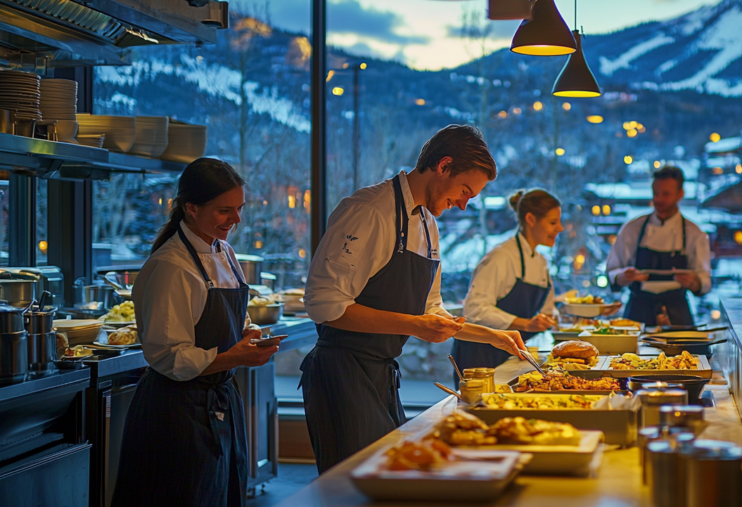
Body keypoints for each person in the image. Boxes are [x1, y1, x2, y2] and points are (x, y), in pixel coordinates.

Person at [301, 125, 526, 473]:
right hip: (341, 372)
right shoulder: (369, 210)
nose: (464, 205)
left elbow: (431, 310)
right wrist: (415, 326)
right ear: (443, 165)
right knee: (353, 489)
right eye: (465, 191)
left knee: (391, 479)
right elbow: (325, 306)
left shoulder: (427, 223)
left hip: (381, 374)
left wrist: (494, 336)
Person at [112, 158, 279, 507]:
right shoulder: (171, 267)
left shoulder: (225, 253)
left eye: (239, 209)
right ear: (191, 208)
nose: (235, 220)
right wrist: (234, 357)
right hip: (176, 412)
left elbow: (234, 319)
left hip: (219, 401)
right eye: (224, 211)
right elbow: (167, 356)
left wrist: (249, 333)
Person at [452, 189, 561, 379]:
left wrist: (551, 318)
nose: (560, 228)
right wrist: (525, 324)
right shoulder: (501, 256)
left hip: (510, 355)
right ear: (531, 219)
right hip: (480, 357)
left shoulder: (541, 262)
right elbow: (475, 309)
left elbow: (546, 309)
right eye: (553, 222)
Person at [606, 166, 712, 327]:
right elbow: (612, 270)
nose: (659, 199)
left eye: (666, 194)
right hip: (637, 313)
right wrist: (622, 276)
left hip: (677, 315)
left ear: (680, 194)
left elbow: (705, 281)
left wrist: (693, 282)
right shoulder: (633, 228)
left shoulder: (694, 234)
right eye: (656, 193)